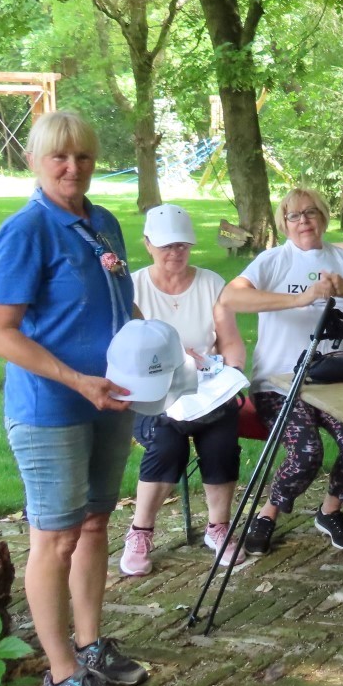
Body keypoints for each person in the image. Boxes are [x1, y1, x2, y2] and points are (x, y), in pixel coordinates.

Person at [0, 111, 147, 686]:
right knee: (55, 538)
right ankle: (61, 675)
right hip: (51, 408)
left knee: (96, 521)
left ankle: (91, 644)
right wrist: (78, 381)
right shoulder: (26, 231)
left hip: (111, 399)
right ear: (33, 161)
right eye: (59, 156)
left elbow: (120, 306)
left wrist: (163, 352)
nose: (73, 167)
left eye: (84, 157)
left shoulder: (103, 223)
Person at [219, 189, 343, 555]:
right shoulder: (272, 261)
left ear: (324, 217)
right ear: (284, 223)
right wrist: (302, 298)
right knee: (306, 452)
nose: (304, 221)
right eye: (294, 215)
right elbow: (231, 297)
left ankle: (330, 511)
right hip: (279, 383)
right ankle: (267, 515)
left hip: (334, 381)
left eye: (311, 212)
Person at [118, 205, 249, 577]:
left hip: (205, 386)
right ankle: (140, 531)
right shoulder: (133, 288)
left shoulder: (210, 283)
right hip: (152, 390)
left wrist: (232, 375)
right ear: (148, 244)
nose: (174, 253)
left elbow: (231, 342)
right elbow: (126, 352)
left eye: (181, 245)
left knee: (222, 439)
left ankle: (218, 526)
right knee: (167, 443)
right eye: (165, 246)